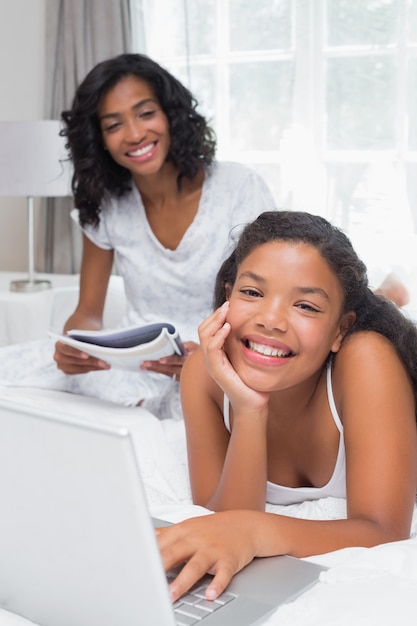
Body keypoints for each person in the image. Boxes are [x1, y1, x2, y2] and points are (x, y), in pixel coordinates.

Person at [156, 210, 417, 602]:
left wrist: (257, 531)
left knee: (387, 321)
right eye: (252, 292)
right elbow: (222, 524)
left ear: (341, 330)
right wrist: (248, 408)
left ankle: (387, 295)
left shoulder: (366, 358)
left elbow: (384, 529)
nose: (271, 320)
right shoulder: (202, 374)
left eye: (306, 306)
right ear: (227, 296)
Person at [0, 53, 276, 417]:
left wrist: (214, 356)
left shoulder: (239, 187)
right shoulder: (107, 205)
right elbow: (87, 313)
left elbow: (267, 299)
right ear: (98, 139)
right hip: (134, 367)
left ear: (171, 115)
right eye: (113, 125)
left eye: (146, 114)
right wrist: (75, 347)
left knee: (208, 398)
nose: (134, 134)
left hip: (218, 357)